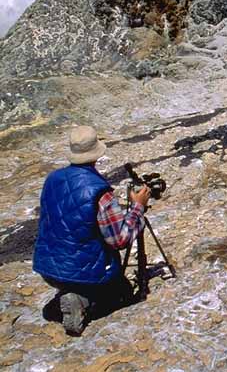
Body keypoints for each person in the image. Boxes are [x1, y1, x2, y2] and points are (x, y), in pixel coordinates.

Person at [33, 126, 151, 335]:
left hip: (47, 267)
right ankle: (83, 300)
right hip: (85, 272)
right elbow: (120, 240)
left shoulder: (52, 179)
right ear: (97, 153)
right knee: (122, 291)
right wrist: (137, 207)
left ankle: (68, 292)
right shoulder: (99, 191)